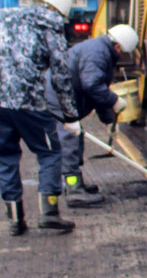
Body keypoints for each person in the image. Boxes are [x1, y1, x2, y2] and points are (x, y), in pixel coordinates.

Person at [0, 0, 79, 235]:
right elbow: (61, 76)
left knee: (4, 156)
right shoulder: (52, 27)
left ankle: (15, 219)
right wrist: (70, 116)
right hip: (30, 105)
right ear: (59, 10)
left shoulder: (2, 14)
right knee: (49, 152)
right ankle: (49, 213)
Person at [48, 23, 140, 207]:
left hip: (65, 97)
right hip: (59, 99)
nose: (123, 57)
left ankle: (76, 183)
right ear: (118, 47)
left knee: (76, 136)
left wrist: (107, 117)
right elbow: (92, 85)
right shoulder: (98, 53)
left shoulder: (100, 49)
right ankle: (73, 190)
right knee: (70, 140)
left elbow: (96, 90)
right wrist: (114, 100)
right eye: (124, 52)